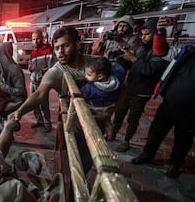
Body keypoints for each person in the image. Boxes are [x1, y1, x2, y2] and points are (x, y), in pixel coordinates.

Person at [14, 26, 93, 173]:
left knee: (88, 163)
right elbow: (39, 95)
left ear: (77, 44)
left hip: (95, 125)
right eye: (57, 48)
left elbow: (120, 86)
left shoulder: (94, 64)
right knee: (74, 167)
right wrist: (19, 111)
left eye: (66, 46)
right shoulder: (56, 71)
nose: (60, 52)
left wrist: (109, 113)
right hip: (73, 128)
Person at [131, 17, 195, 178]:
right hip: (169, 103)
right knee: (155, 131)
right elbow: (161, 51)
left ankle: (175, 164)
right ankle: (147, 155)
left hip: (191, 111)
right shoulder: (186, 52)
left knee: (183, 139)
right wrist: (160, 32)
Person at [112, 18, 168, 152]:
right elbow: (132, 64)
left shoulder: (160, 52)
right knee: (119, 113)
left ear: (156, 34)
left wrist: (133, 59)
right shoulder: (140, 47)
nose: (143, 37)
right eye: (142, 34)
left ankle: (126, 141)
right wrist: (123, 59)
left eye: (147, 34)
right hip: (128, 86)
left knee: (133, 118)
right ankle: (112, 133)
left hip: (142, 91)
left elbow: (149, 70)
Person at [81, 57, 121, 140]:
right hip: (109, 106)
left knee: (90, 116)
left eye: (88, 75)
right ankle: (110, 133)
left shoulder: (91, 88)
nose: (86, 77)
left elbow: (82, 94)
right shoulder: (115, 81)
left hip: (96, 108)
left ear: (100, 76)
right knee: (107, 120)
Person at [28, 29, 54, 133]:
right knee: (34, 104)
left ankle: (48, 124)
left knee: (44, 104)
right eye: (33, 39)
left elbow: (51, 68)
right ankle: (40, 121)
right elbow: (30, 65)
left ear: (42, 38)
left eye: (37, 38)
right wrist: (31, 68)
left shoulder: (48, 51)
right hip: (33, 82)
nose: (35, 41)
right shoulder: (33, 52)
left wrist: (40, 71)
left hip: (43, 83)